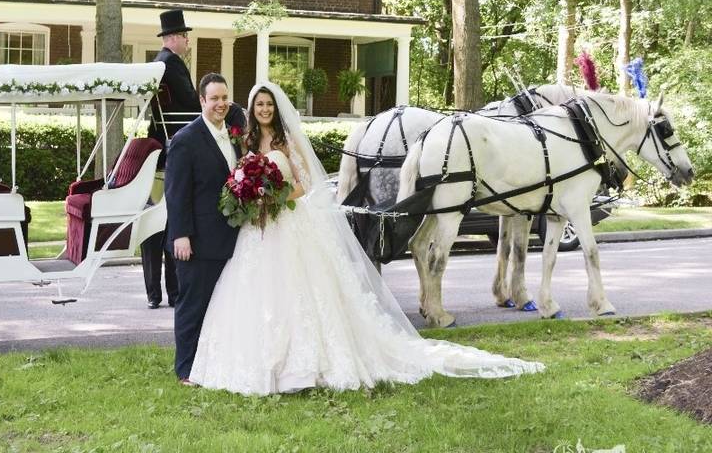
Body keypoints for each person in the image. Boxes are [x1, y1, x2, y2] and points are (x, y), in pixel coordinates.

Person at [188, 81, 545, 395]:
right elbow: (241, 177)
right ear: (251, 110)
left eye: (268, 104)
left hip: (288, 222)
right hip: (258, 231)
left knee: (300, 295)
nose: (263, 110)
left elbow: (304, 184)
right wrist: (249, 195)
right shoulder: (247, 139)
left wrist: (273, 197)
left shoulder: (287, 139)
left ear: (276, 108)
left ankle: (303, 366)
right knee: (255, 293)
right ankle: (255, 363)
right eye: (258, 105)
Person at [164, 73, 242, 385]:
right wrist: (181, 235)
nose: (221, 104)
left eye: (225, 98)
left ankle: (213, 363)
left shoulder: (234, 137)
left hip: (230, 237)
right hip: (196, 240)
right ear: (202, 101)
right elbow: (175, 192)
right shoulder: (185, 139)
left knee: (220, 306)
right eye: (214, 99)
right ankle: (186, 370)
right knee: (192, 305)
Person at [142, 9, 199, 309]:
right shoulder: (173, 64)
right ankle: (174, 292)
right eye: (185, 36)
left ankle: (155, 292)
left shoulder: (157, 63)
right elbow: (191, 101)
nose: (188, 42)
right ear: (174, 38)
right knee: (171, 221)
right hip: (175, 146)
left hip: (159, 146)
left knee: (155, 222)